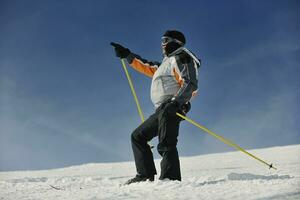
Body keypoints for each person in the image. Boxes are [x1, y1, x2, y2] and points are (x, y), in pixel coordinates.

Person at [111, 30, 201, 184]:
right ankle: (145, 175)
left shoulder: (182, 56)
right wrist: (127, 55)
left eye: (165, 40)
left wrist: (176, 103)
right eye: (161, 40)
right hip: (161, 109)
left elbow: (190, 83)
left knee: (166, 142)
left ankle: (169, 178)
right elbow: (146, 65)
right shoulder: (165, 64)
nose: (162, 44)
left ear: (175, 42)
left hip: (172, 106)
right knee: (138, 136)